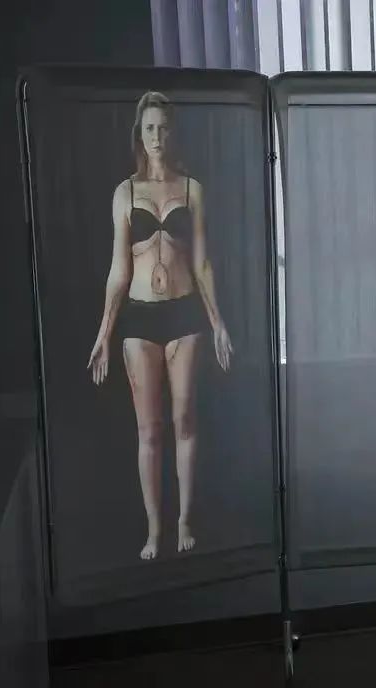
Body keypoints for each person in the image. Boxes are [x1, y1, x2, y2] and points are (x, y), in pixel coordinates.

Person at [87, 91, 234, 561]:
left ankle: (184, 519)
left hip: (184, 312)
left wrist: (218, 322)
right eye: (149, 128)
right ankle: (154, 528)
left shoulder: (192, 190)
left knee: (184, 420)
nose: (157, 137)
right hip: (140, 317)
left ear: (173, 133)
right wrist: (103, 334)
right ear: (140, 133)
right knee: (149, 430)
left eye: (163, 128)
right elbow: (118, 271)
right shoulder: (125, 194)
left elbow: (203, 262)